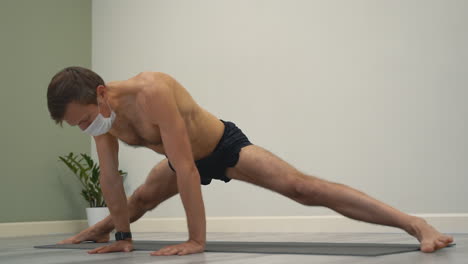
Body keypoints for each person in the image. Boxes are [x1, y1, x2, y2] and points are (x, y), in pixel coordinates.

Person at [47, 66, 453, 256]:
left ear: (100, 94)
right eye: (77, 126)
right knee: (137, 202)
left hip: (223, 147)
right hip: (177, 160)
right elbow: (111, 181)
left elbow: (187, 166)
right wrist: (123, 237)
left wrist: (196, 241)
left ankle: (417, 225)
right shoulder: (101, 122)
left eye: (85, 119)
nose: (86, 129)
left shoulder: (150, 90)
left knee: (302, 188)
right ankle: (99, 233)